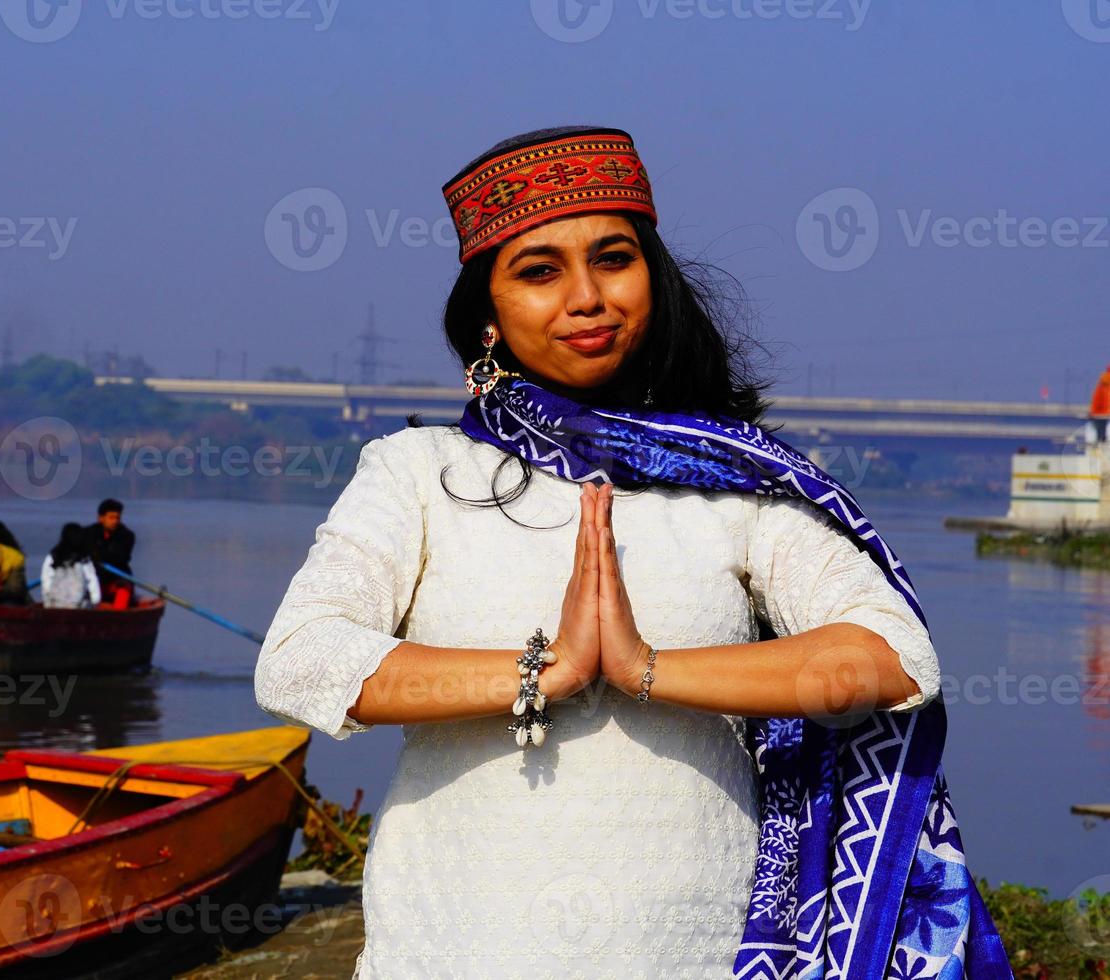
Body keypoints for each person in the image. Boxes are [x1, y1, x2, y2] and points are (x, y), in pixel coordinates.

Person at [253, 127, 1011, 977]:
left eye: (613, 259)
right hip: (452, 950)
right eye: (539, 271)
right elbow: (300, 661)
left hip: (690, 954)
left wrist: (645, 667)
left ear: (654, 278)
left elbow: (896, 658)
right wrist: (549, 671)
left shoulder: (734, 482)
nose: (587, 297)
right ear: (487, 319)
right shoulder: (418, 472)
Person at [88, 498, 136, 609]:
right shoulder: (89, 533)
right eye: (111, 518)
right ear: (100, 518)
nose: (115, 521)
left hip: (118, 581)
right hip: (95, 580)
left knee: (124, 590)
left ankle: (117, 615)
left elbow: (121, 558)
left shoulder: (127, 536)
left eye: (117, 518)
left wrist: (96, 557)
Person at [40, 523, 101, 609]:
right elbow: (92, 581)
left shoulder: (52, 557)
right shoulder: (84, 559)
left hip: (55, 606)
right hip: (78, 607)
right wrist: (95, 603)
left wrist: (47, 604)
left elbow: (46, 581)